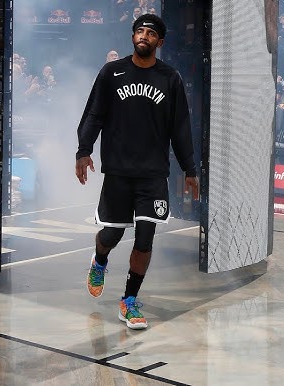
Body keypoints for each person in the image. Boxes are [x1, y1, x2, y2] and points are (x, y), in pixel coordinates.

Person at [76, 14, 198, 330]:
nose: (144, 36)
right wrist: (83, 150)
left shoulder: (170, 78)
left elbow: (180, 128)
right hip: (118, 171)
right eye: (140, 31)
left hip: (153, 174)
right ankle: (99, 260)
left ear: (160, 41)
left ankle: (129, 301)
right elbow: (94, 114)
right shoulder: (111, 73)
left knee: (145, 238)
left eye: (151, 33)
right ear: (133, 37)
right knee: (112, 235)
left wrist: (190, 169)